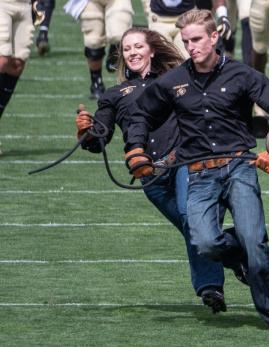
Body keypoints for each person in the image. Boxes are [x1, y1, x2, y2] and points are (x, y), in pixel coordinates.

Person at [124, 8, 269, 332]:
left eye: (197, 40)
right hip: (198, 173)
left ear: (214, 37)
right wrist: (134, 148)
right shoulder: (173, 82)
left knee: (255, 242)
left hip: (239, 167)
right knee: (205, 242)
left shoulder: (242, 75)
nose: (191, 47)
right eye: (186, 41)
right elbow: (141, 115)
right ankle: (241, 254)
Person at [74, 27, 227, 312]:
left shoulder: (177, 78)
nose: (132, 53)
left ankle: (210, 287)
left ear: (152, 50)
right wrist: (87, 132)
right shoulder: (114, 95)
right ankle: (235, 252)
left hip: (183, 160)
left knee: (189, 215)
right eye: (127, 49)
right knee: (191, 227)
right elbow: (100, 138)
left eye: (138, 47)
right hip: (149, 177)